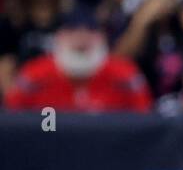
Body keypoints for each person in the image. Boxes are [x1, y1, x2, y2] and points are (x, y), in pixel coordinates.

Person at [5, 6, 152, 110]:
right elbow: (13, 122)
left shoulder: (126, 75)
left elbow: (145, 122)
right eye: (72, 30)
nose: (82, 37)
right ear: (59, 37)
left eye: (91, 30)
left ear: (103, 37)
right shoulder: (34, 75)